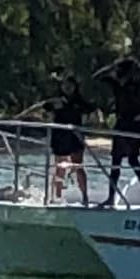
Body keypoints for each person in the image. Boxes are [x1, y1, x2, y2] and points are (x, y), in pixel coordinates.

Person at [99, 53, 140, 205]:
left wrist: (138, 65)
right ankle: (110, 197)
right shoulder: (116, 84)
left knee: (132, 159)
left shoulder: (138, 83)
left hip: (134, 124)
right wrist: (111, 66)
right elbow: (97, 77)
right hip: (121, 122)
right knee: (115, 161)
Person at [47, 76, 91, 205]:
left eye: (70, 85)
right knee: (59, 167)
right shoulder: (56, 101)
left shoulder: (80, 102)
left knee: (78, 166)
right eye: (65, 85)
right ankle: (57, 196)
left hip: (75, 137)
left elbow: (91, 111)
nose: (67, 88)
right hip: (60, 137)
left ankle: (85, 196)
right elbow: (42, 107)